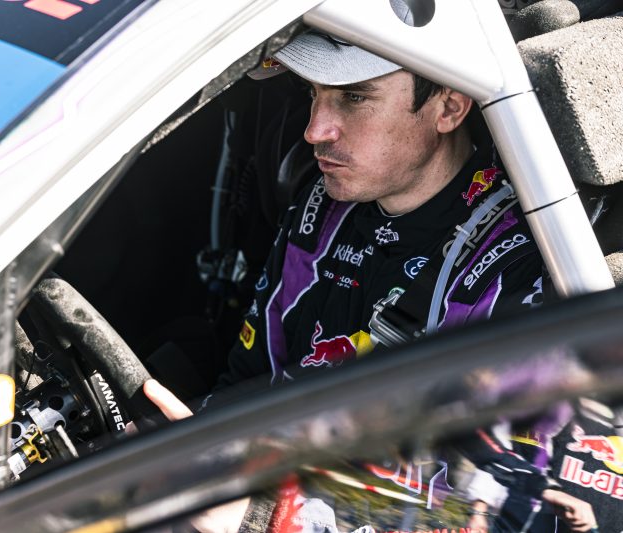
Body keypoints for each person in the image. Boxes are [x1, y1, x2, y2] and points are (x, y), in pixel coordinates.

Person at [142, 1, 598, 530]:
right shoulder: (322, 206)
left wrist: (261, 518)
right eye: (313, 94)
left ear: (449, 108)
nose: (315, 130)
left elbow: (511, 514)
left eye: (354, 97)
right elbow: (248, 384)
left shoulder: (518, 270)